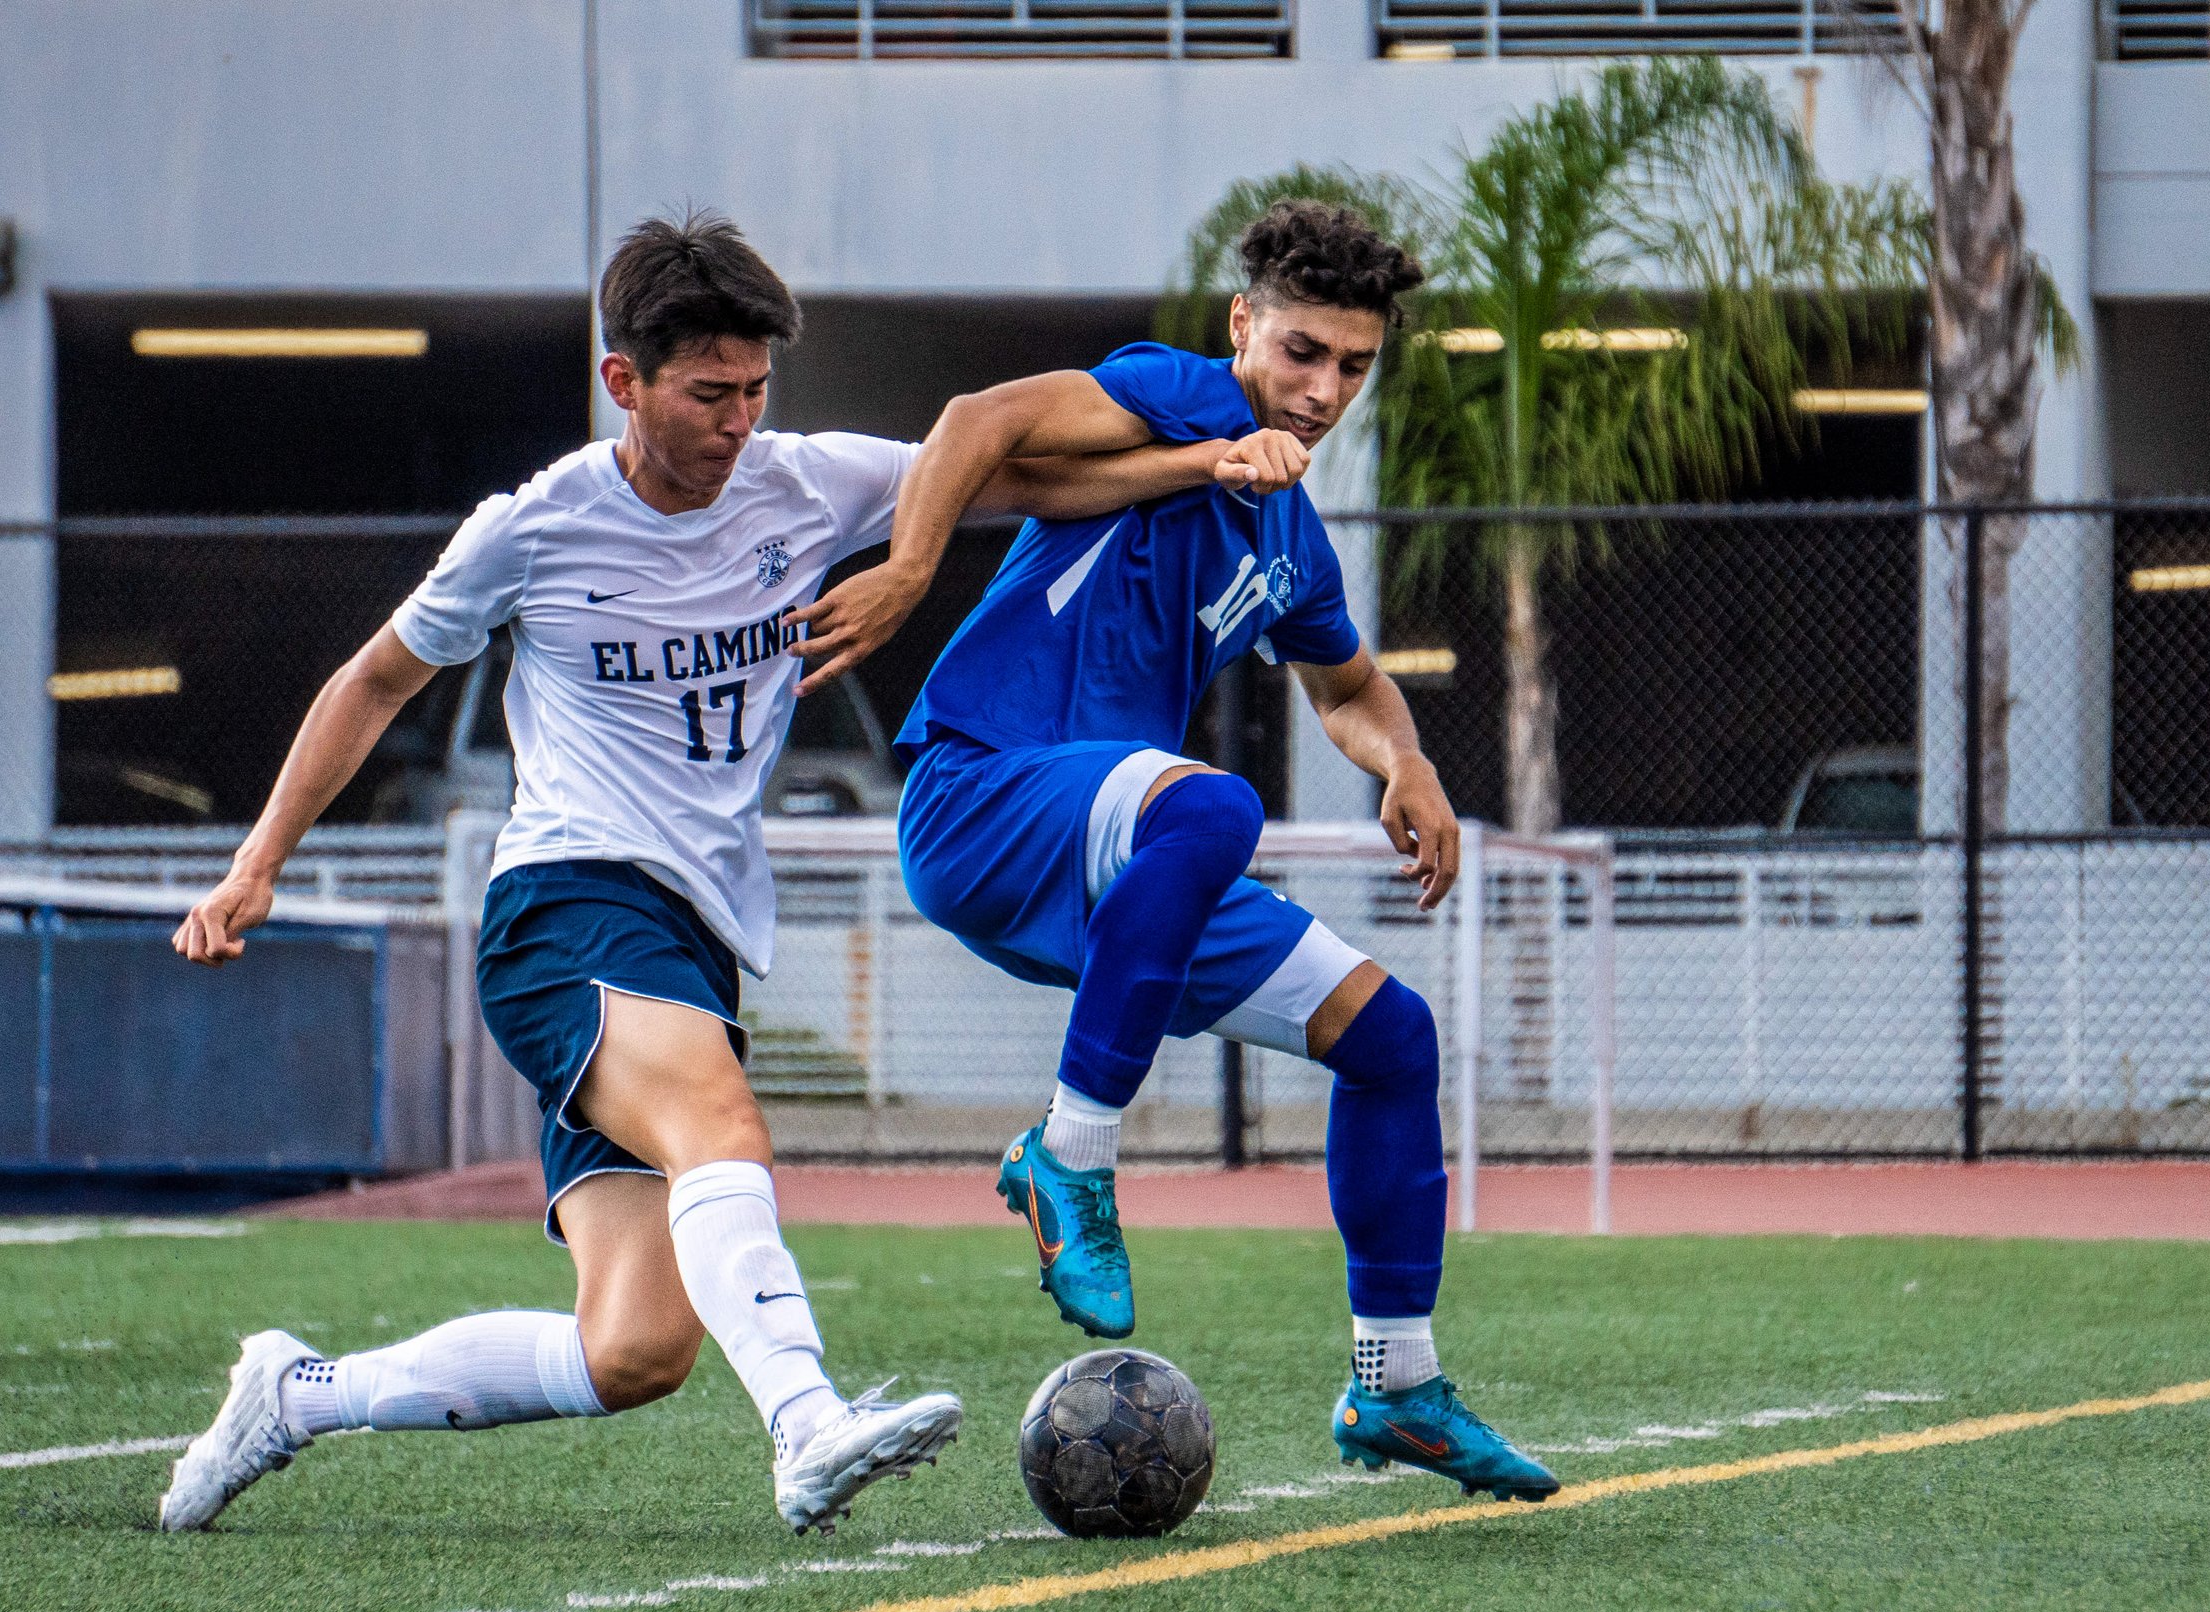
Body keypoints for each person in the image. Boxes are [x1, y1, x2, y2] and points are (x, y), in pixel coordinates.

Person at [157, 210, 1304, 1536]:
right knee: (721, 1126)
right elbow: (372, 681)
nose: (739, 421)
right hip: (568, 906)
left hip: (691, 938)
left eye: (758, 390)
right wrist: (256, 867)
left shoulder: (804, 482)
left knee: (630, 1349)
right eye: (710, 393)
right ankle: (809, 1423)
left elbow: (1023, 479)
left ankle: (295, 1393)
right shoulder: (532, 528)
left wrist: (1212, 462)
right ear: (622, 384)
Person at [832, 200, 1561, 1503]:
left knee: (1392, 1037)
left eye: (1353, 363)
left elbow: (1344, 686)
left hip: (1121, 855)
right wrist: (903, 572)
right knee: (1214, 809)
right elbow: (972, 426)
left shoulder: (1287, 533)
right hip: (984, 793)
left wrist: (1407, 758)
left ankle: (1395, 1382)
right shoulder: (1173, 396)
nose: (1324, 387)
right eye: (1300, 352)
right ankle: (1071, 1153)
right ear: (1243, 328)